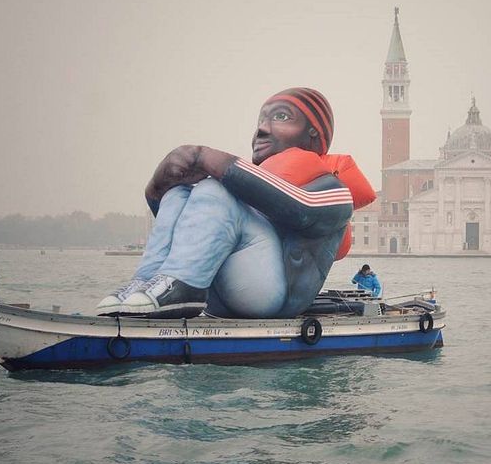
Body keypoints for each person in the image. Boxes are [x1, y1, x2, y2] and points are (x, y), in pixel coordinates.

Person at [96, 87, 375, 319]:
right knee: (180, 193)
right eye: (260, 122)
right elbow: (189, 232)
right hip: (217, 296)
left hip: (273, 300)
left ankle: (180, 289)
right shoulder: (248, 192)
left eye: (280, 117)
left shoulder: (335, 190)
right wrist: (159, 185)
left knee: (214, 190)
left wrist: (210, 159)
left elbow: (301, 209)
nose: (262, 129)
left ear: (313, 133)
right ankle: (147, 283)